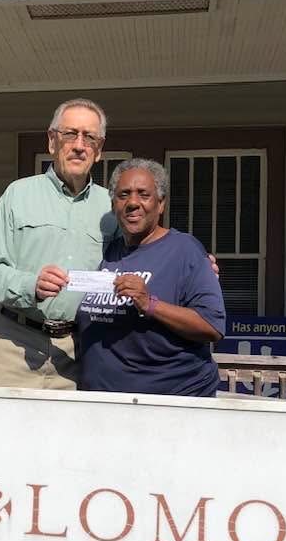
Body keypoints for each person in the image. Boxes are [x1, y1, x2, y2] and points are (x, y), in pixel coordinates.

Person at [0, 97, 115, 389]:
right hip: (13, 346)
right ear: (52, 141)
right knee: (1, 431)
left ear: (99, 150)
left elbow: (142, 261)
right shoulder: (17, 195)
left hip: (80, 350)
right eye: (70, 134)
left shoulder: (111, 207)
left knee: (69, 435)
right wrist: (31, 286)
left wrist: (193, 265)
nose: (79, 145)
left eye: (89, 137)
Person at [76, 158, 225, 397]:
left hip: (167, 402)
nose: (132, 203)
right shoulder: (109, 253)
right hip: (102, 402)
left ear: (161, 203)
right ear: (114, 204)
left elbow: (212, 326)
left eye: (143, 194)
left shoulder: (184, 250)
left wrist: (150, 304)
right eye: (123, 195)